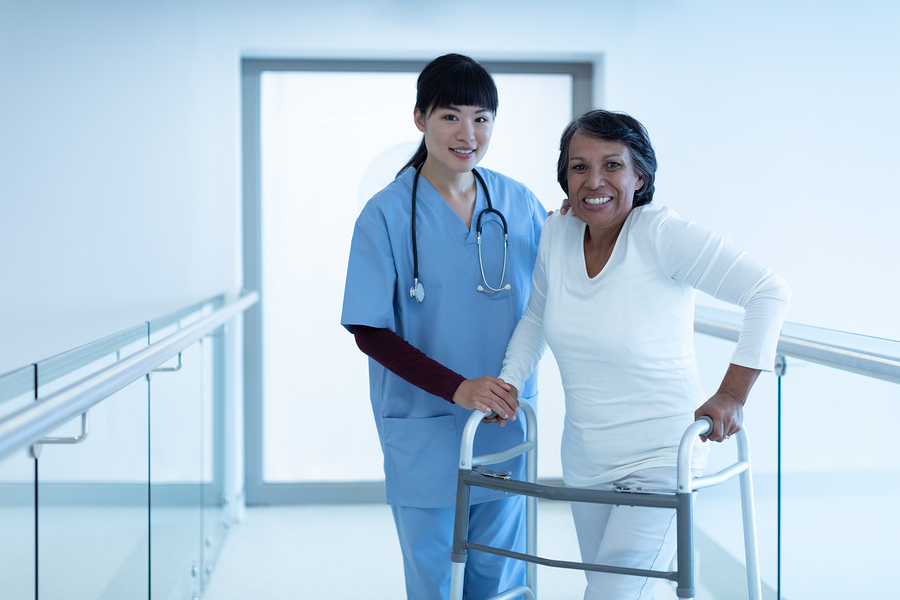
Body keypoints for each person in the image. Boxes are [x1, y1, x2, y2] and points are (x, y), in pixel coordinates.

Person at [498, 110, 791, 600]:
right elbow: (535, 318)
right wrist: (509, 381)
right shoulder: (557, 233)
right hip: (586, 459)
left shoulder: (660, 233)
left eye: (613, 165)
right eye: (579, 167)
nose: (594, 181)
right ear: (564, 177)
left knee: (610, 595)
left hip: (661, 456)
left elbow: (768, 290)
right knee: (614, 589)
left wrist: (732, 394)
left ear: (641, 176)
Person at [340, 53, 546, 600]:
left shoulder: (520, 203)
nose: (467, 133)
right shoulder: (385, 215)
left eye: (481, 118)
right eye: (450, 116)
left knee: (501, 581)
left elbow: (560, 293)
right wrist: (459, 388)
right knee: (434, 583)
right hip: (425, 429)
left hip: (504, 423)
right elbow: (370, 330)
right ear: (420, 119)